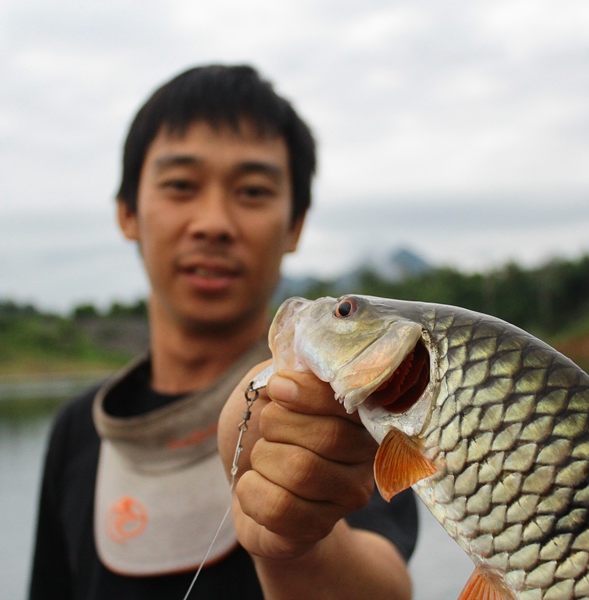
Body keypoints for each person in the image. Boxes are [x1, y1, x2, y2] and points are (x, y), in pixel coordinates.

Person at [28, 64, 417, 600]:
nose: (213, 222)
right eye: (181, 185)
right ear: (127, 213)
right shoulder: (75, 432)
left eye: (252, 191)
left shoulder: (353, 408)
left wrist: (296, 543)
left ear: (295, 225)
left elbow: (386, 583)